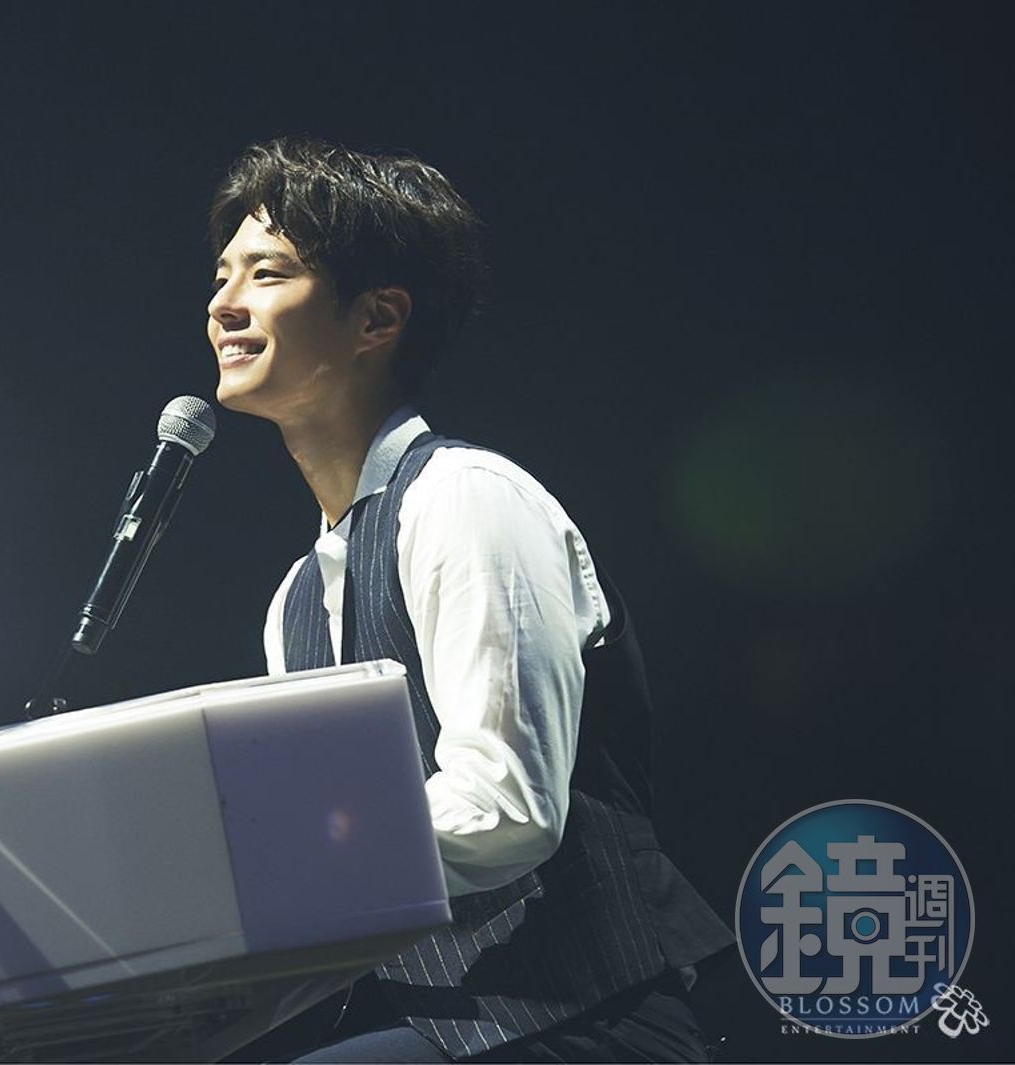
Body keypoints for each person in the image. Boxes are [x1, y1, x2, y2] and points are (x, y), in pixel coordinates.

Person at [207, 138, 733, 1063]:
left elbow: (508, 803)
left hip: (585, 1024)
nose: (223, 303)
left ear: (378, 318)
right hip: (425, 1021)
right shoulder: (294, 600)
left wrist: (280, 873)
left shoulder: (466, 499)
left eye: (269, 272)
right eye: (222, 276)